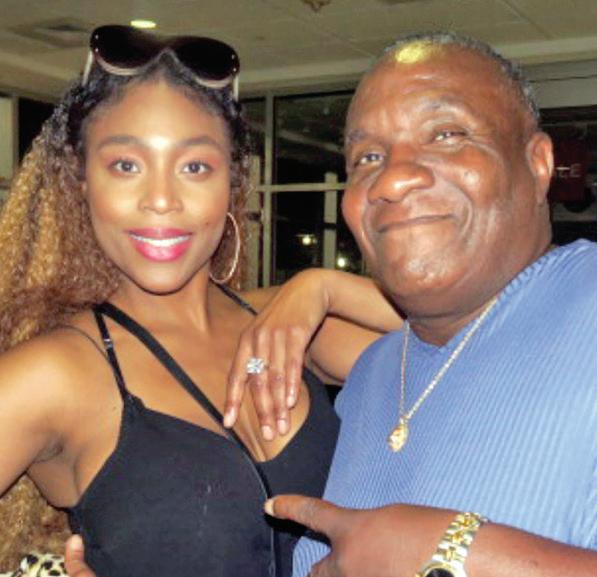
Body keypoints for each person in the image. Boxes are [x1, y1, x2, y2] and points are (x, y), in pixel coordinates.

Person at [0, 24, 395, 577]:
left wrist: (322, 286)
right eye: (126, 165)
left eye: (194, 167)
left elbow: (469, 345)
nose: (161, 199)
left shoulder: (285, 326)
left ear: (231, 181)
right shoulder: (58, 372)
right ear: (81, 182)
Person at [222, 32, 597, 577]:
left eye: (445, 135)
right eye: (368, 157)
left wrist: (458, 555)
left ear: (537, 163)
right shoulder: (373, 374)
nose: (393, 179)